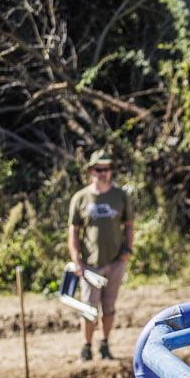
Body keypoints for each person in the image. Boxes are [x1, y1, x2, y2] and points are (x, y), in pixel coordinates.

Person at [66, 150, 133, 361]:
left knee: (109, 307)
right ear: (91, 171)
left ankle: (104, 346)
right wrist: (76, 259)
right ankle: (86, 348)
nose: (103, 173)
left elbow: (129, 224)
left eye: (106, 169)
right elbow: (74, 231)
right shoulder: (80, 198)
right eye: (98, 169)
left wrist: (128, 250)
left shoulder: (120, 195)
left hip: (115, 262)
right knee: (89, 308)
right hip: (90, 265)